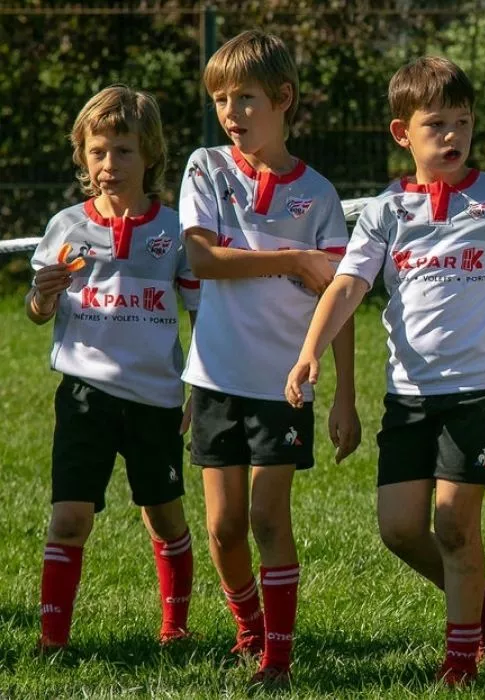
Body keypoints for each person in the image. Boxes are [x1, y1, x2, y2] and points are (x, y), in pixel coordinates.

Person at [284, 56, 485, 687]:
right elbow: (345, 288)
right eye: (436, 123)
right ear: (401, 133)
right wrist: (309, 352)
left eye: (462, 123)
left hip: (479, 393)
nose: (452, 137)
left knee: (453, 524)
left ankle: (460, 662)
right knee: (399, 528)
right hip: (408, 397)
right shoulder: (386, 211)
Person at [179, 30, 360, 687]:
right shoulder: (205, 168)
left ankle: (277, 659)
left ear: (283, 98)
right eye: (221, 99)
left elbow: (339, 297)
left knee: (264, 518)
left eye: (246, 98)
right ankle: (247, 630)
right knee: (224, 528)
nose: (231, 111)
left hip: (284, 386)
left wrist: (343, 394)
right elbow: (201, 260)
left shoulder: (318, 195)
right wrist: (294, 260)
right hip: (216, 379)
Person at [28, 85, 198, 651]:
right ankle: (53, 641)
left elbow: (200, 312)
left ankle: (175, 628)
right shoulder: (66, 227)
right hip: (84, 397)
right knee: (70, 518)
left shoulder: (174, 231)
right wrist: (44, 296)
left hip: (156, 399)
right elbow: (37, 311)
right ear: (82, 155)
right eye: (97, 151)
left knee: (165, 516)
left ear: (149, 155)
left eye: (123, 151)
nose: (109, 165)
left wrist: (198, 384)